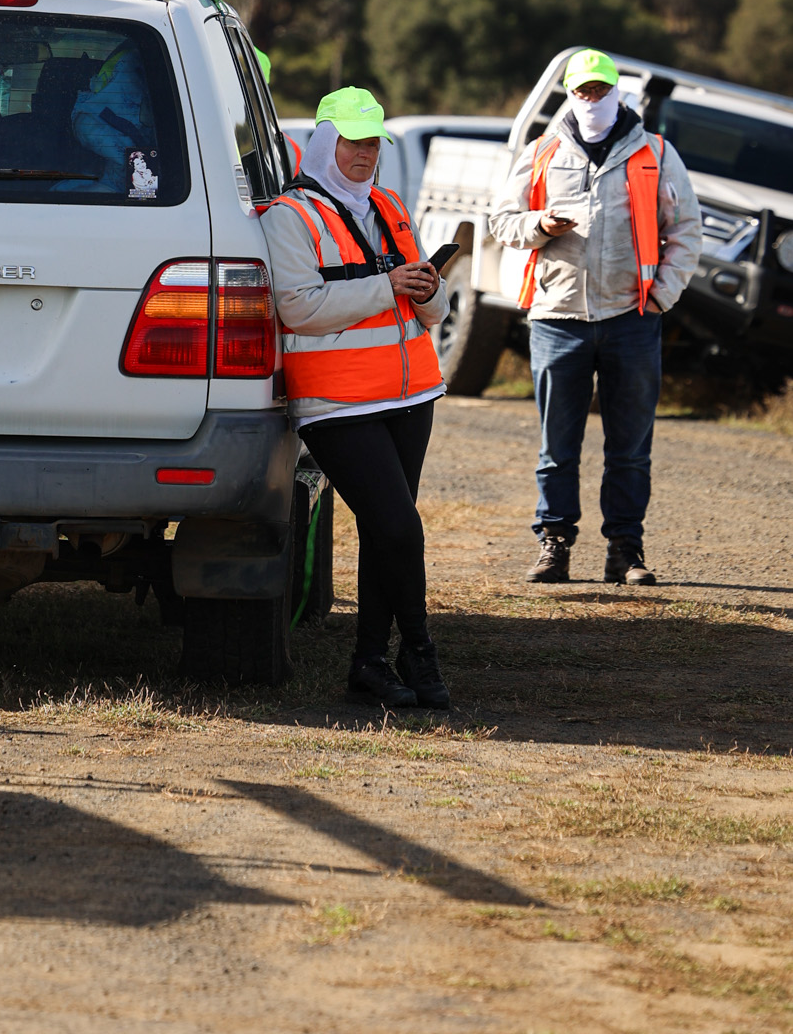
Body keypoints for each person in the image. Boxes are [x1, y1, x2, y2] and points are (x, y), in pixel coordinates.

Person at [262, 86, 452, 713]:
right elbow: (300, 309)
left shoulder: (390, 205)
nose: (365, 153)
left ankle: (370, 663)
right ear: (323, 142)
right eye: (353, 141)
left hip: (410, 394)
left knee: (385, 532)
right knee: (400, 527)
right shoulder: (289, 217)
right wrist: (388, 285)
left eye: (372, 142)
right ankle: (418, 652)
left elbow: (432, 310)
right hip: (338, 404)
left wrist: (425, 289)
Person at [488, 48, 702, 586]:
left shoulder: (655, 152)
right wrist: (541, 225)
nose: (592, 99)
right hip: (557, 319)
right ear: (568, 93)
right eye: (583, 91)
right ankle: (554, 545)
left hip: (633, 318)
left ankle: (626, 551)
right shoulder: (543, 151)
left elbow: (686, 231)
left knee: (630, 448)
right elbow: (502, 220)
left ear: (618, 91)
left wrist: (662, 296)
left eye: (601, 90)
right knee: (556, 448)